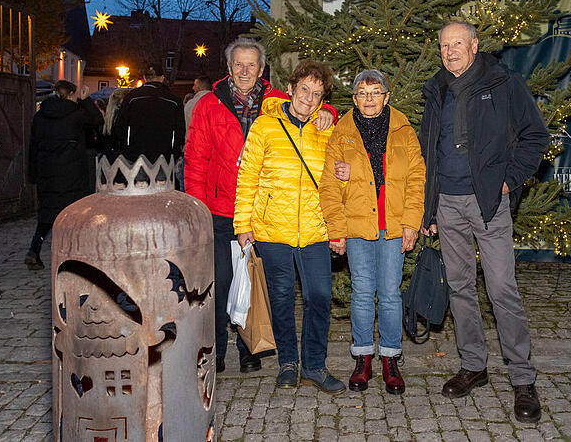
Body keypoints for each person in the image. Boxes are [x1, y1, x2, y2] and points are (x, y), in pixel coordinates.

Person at [419, 22, 549, 423]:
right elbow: (428, 150)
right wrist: (428, 209)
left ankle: (523, 380)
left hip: (488, 203)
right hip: (447, 204)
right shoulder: (436, 89)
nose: (450, 50)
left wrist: (508, 180)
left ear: (474, 46)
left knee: (501, 288)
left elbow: (536, 137)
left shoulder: (504, 82)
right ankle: (474, 365)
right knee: (459, 287)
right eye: (444, 45)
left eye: (458, 43)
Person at [185, 40, 334, 374]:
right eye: (238, 64)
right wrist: (198, 210)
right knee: (222, 281)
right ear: (228, 67)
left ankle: (249, 348)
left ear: (262, 69)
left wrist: (328, 112)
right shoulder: (209, 105)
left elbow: (311, 107)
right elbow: (195, 160)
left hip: (266, 209)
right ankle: (217, 348)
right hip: (221, 207)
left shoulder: (277, 100)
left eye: (251, 65)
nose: (245, 71)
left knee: (256, 284)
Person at [234, 60, 342, 392]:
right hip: (271, 228)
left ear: (323, 99)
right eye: (304, 90)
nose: (309, 99)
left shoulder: (326, 128)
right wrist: (242, 224)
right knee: (280, 297)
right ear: (291, 89)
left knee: (320, 295)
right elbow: (247, 177)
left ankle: (313, 365)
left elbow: (338, 179)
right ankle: (288, 363)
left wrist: (332, 115)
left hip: (315, 229)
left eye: (317, 94)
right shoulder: (265, 126)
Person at [319, 69, 424, 394]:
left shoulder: (404, 132)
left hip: (392, 227)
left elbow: (417, 179)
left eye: (375, 92)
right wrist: (336, 230)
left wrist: (411, 223)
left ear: (386, 97)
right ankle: (362, 357)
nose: (369, 99)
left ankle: (390, 358)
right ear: (354, 99)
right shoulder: (342, 133)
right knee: (363, 293)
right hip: (358, 226)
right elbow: (329, 186)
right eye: (363, 93)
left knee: (390, 294)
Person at [24, 79, 104, 269]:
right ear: (70, 94)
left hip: (46, 170)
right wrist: (86, 101)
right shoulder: (76, 114)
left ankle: (34, 249)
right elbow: (97, 120)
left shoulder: (40, 115)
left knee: (47, 214)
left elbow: (33, 145)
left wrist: (33, 173)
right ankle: (73, 255)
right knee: (74, 214)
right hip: (71, 171)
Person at [110, 64, 185, 170]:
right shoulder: (174, 101)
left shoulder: (131, 98)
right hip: (164, 158)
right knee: (162, 185)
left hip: (134, 156)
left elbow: (119, 126)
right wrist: (174, 152)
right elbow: (180, 131)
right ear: (162, 78)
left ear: (144, 78)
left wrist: (125, 149)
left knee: (137, 185)